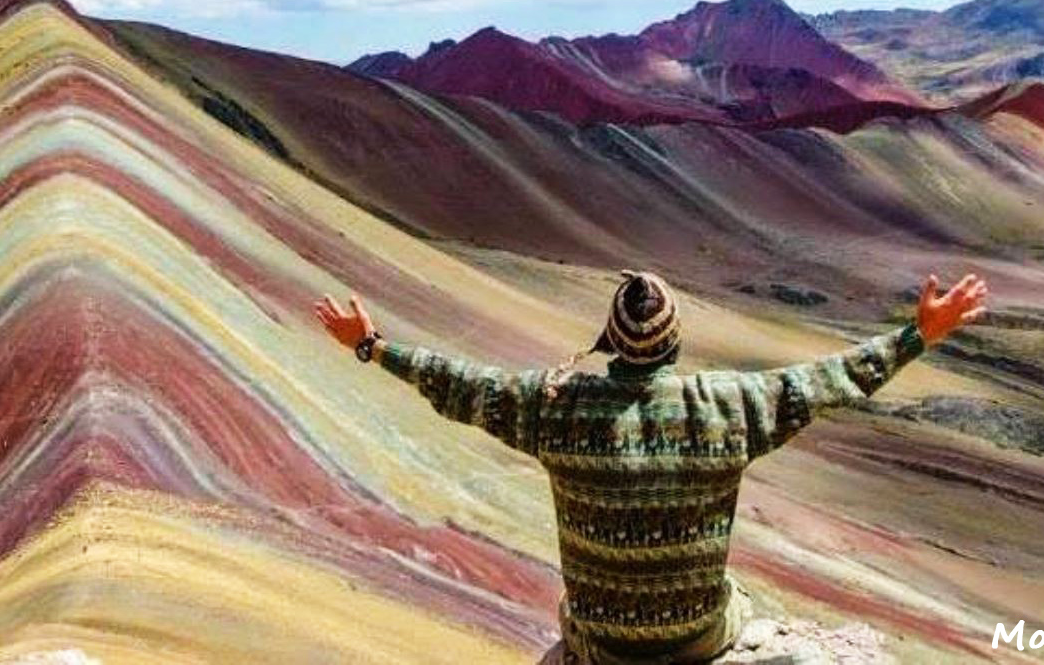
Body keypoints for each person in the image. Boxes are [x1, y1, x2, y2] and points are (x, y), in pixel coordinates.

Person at [313, 269, 988, 664]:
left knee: (567, 610)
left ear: (611, 341)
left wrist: (370, 346)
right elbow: (829, 379)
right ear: (674, 341)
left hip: (601, 647)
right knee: (741, 600)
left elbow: (459, 382)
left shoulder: (556, 407)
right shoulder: (728, 405)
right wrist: (918, 334)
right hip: (698, 640)